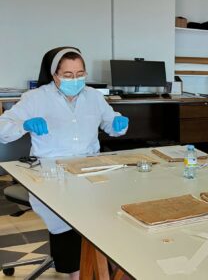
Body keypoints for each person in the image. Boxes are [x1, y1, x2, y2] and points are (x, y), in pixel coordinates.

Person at [0, 47, 129, 279]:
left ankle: (109, 265)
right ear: (55, 75)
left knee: (111, 215)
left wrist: (118, 123)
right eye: (68, 75)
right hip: (51, 173)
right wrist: (25, 125)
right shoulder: (36, 98)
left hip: (90, 168)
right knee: (68, 220)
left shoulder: (93, 96)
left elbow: (110, 122)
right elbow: (3, 128)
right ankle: (77, 271)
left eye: (80, 73)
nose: (75, 79)